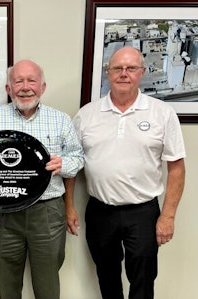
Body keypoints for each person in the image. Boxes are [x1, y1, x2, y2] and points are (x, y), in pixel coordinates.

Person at [71, 46, 186, 299]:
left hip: (143, 212)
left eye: (131, 68)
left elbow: (176, 167)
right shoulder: (87, 115)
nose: (124, 74)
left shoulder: (162, 113)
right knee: (107, 275)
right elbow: (71, 164)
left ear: (142, 72)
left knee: (143, 278)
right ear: (108, 72)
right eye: (118, 68)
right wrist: (69, 206)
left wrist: (168, 216)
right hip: (100, 210)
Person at [0, 59, 84, 299]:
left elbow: (78, 158)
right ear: (9, 89)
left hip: (47, 212)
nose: (25, 87)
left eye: (31, 80)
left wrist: (63, 164)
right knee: (7, 284)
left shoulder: (60, 119)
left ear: (42, 87)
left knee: (48, 284)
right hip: (5, 213)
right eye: (18, 81)